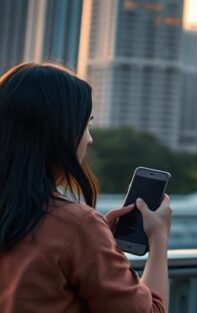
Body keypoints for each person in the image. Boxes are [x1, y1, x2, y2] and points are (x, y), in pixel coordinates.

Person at [0, 63, 172, 313]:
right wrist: (158, 239)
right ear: (60, 131)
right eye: (87, 125)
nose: (89, 139)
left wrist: (96, 240)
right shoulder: (77, 226)